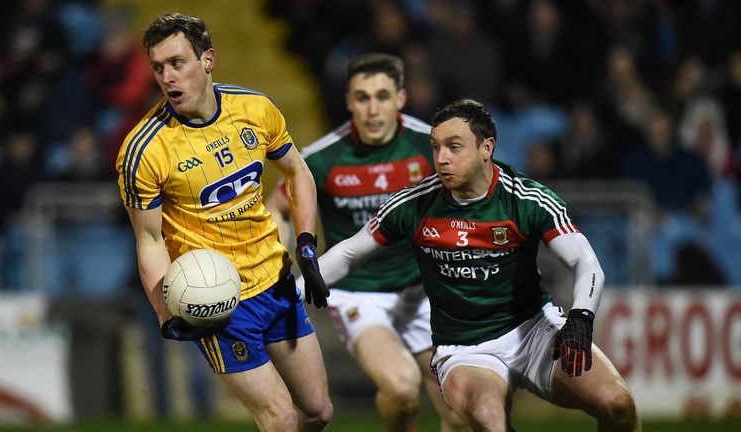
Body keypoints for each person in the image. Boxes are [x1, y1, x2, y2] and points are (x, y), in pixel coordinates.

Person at [310, 99, 641, 431]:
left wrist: (581, 316)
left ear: (487, 148)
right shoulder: (414, 203)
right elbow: (351, 252)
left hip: (533, 331)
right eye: (436, 147)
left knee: (618, 405)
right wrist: (300, 285)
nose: (441, 158)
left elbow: (586, 263)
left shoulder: (526, 199)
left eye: (454, 147)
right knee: (489, 421)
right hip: (464, 349)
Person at [115, 13, 332, 431]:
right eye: (158, 68)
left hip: (275, 279)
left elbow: (297, 173)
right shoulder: (143, 149)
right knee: (282, 418)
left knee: (318, 411)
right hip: (217, 300)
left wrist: (306, 245)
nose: (167, 77)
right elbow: (149, 239)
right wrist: (168, 315)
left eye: (177, 63)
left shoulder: (254, 109)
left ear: (208, 59)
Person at [267, 53, 466, 432]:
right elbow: (277, 208)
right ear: (348, 101)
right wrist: (283, 253)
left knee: (461, 411)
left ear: (401, 98)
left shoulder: (431, 145)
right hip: (360, 294)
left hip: (424, 291)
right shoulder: (323, 157)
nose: (373, 109)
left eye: (382, 96)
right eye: (362, 97)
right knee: (403, 386)